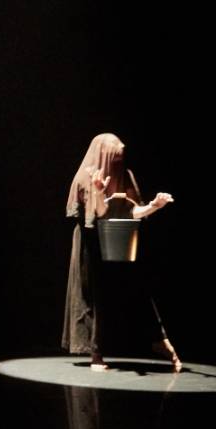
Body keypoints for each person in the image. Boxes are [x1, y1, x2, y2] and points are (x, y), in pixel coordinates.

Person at [62, 133, 180, 372]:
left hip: (118, 239)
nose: (117, 163)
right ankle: (96, 353)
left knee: (137, 291)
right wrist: (97, 193)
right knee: (95, 295)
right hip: (91, 243)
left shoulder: (124, 175)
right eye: (113, 158)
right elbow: (98, 215)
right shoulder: (86, 177)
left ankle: (160, 342)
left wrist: (154, 206)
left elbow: (131, 212)